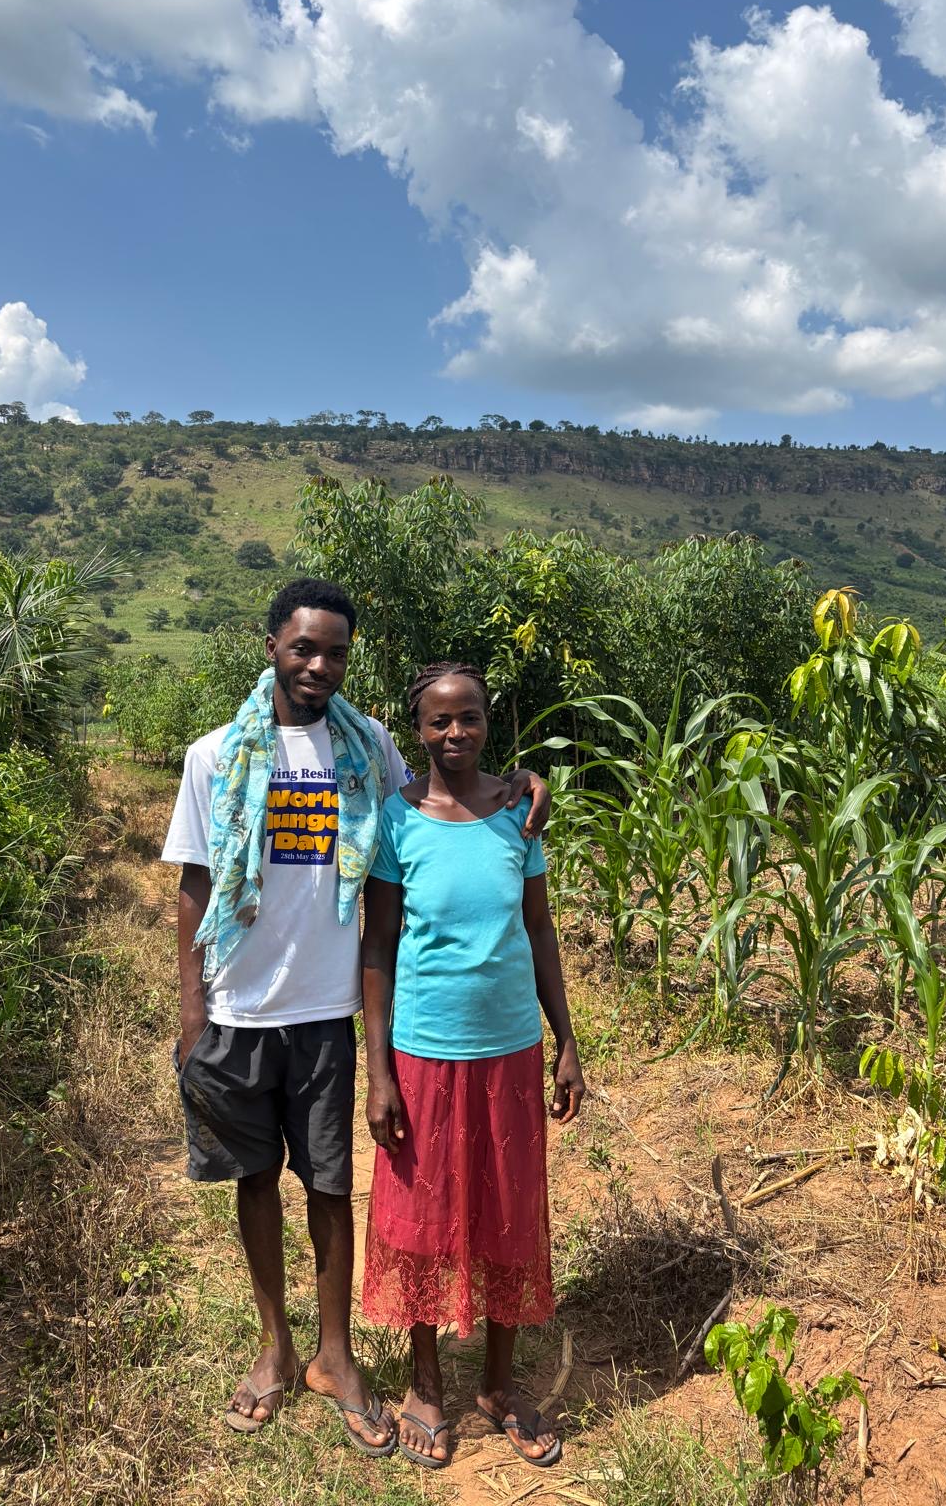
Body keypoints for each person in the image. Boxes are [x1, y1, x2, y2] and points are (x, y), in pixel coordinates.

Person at [160, 580, 549, 1451]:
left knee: (329, 1185)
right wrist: (192, 1010)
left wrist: (524, 778)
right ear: (271, 646)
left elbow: (451, 789)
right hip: (236, 1007)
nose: (319, 664)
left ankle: (337, 1355)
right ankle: (275, 1346)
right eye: (304, 647)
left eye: (335, 651)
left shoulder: (368, 744)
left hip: (329, 1011)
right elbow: (191, 886)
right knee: (255, 1182)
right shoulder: (214, 755)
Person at [360, 660, 585, 1472]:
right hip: (424, 1054)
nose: (455, 735)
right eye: (438, 722)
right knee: (421, 1220)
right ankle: (425, 1386)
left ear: (490, 723)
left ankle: (496, 1382)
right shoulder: (397, 820)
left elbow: (541, 931)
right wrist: (378, 1070)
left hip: (511, 1054)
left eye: (470, 719)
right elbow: (378, 949)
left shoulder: (518, 814)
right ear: (414, 729)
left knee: (509, 1213)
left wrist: (565, 1041)